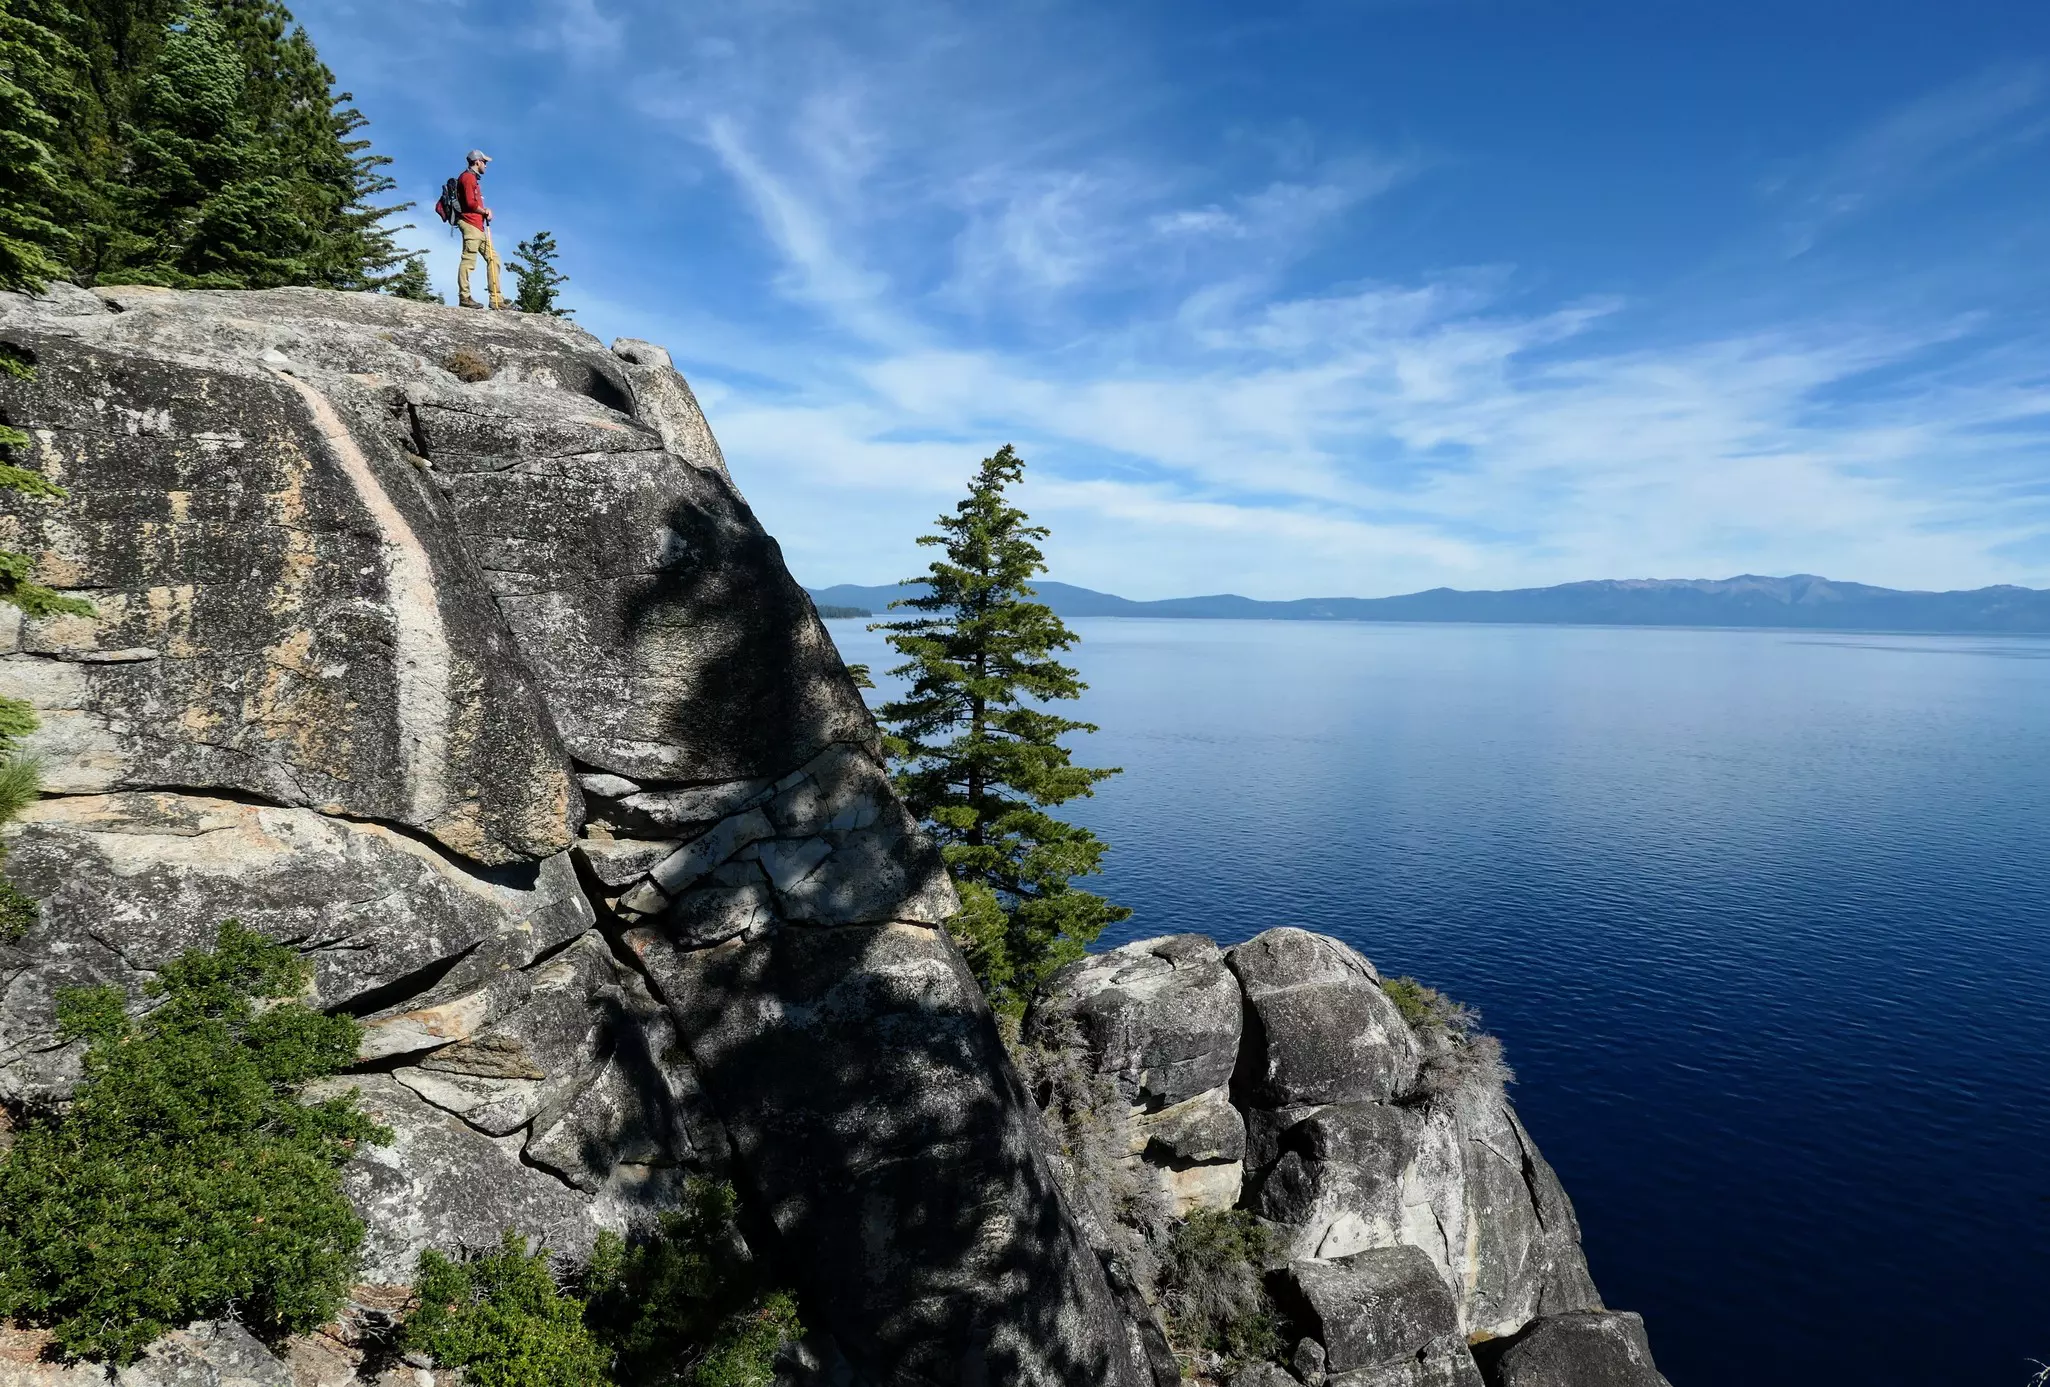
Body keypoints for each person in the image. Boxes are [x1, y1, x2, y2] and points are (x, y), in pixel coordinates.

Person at [455, 150, 506, 310]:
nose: (486, 165)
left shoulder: (471, 178)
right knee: (469, 260)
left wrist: (483, 214)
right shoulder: (468, 178)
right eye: (485, 162)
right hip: (470, 224)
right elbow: (470, 203)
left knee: (494, 259)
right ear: (477, 162)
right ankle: (465, 297)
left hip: (478, 226)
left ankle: (496, 299)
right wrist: (485, 212)